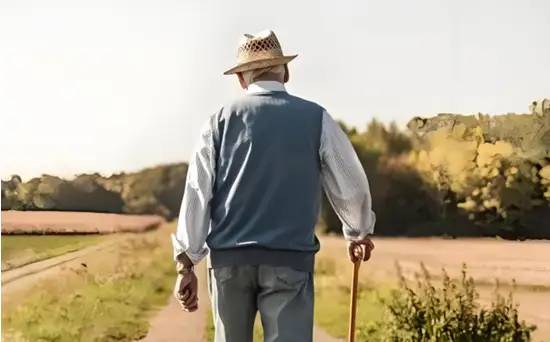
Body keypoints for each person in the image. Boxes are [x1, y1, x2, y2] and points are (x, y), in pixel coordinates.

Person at [171, 29, 375, 342]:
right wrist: (358, 231)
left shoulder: (217, 121)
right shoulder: (316, 118)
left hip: (229, 262)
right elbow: (350, 183)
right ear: (286, 72)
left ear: (241, 79)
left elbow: (198, 192)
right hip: (289, 259)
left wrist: (187, 263)